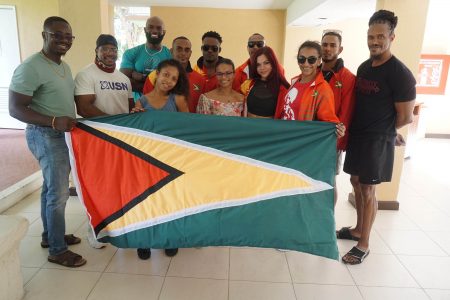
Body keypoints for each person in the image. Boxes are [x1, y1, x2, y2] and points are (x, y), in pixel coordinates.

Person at [339, 10, 416, 265]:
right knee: (355, 182)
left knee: (369, 189)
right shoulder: (364, 67)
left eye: (380, 36)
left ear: (392, 37)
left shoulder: (400, 74)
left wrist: (387, 132)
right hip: (359, 136)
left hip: (378, 139)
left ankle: (364, 244)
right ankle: (359, 229)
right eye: (371, 37)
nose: (375, 41)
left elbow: (405, 117)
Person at [9, 16, 86, 267]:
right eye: (57, 35)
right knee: (59, 193)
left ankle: (49, 236)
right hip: (44, 134)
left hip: (61, 134)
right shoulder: (30, 67)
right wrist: (54, 121)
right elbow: (15, 109)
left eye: (68, 36)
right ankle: (57, 249)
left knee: (50, 189)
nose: (63, 40)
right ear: (44, 35)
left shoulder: (63, 66)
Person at [74, 34, 133, 249]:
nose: (110, 53)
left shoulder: (123, 79)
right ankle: (94, 230)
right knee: (98, 186)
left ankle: (118, 224)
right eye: (105, 49)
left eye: (113, 49)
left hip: (121, 141)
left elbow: (129, 108)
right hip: (95, 140)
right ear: (96, 51)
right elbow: (84, 107)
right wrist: (112, 125)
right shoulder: (85, 75)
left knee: (119, 185)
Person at [133, 59, 189, 260]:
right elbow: (133, 133)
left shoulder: (178, 100)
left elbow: (189, 128)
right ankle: (144, 241)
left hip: (171, 159)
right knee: (146, 201)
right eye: (166, 74)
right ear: (157, 74)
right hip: (146, 160)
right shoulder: (141, 102)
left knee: (169, 201)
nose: (169, 80)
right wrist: (134, 116)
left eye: (174, 78)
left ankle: (170, 238)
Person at [321, 30, 356, 206]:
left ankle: (328, 220)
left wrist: (338, 142)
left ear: (340, 49)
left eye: (332, 45)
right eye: (324, 44)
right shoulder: (313, 71)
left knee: (329, 183)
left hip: (331, 139)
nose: (327, 49)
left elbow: (346, 112)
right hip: (310, 138)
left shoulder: (347, 77)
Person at [143, 36, 206, 112]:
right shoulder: (154, 76)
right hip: (161, 123)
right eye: (179, 49)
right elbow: (146, 105)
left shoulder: (200, 79)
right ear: (171, 51)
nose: (183, 53)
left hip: (190, 123)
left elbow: (202, 109)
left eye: (187, 50)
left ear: (190, 53)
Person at [120, 16, 171, 101]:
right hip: (136, 107)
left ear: (164, 32)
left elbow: (171, 84)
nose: (154, 31)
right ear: (144, 30)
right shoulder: (130, 53)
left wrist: (142, 78)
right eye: (150, 27)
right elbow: (124, 81)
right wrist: (157, 85)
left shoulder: (170, 55)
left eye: (158, 28)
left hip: (162, 107)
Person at [240, 46, 289, 118]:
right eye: (258, 65)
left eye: (266, 63)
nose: (262, 68)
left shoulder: (283, 89)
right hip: (248, 127)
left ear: (273, 63)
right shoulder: (248, 84)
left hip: (270, 129)